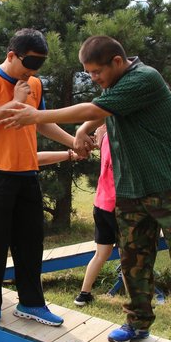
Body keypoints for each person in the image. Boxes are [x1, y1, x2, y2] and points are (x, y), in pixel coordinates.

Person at [0, 35, 171, 342]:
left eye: (95, 72)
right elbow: (104, 109)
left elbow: (96, 107)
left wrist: (36, 116)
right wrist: (80, 131)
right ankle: (138, 322)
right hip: (131, 188)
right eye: (88, 73)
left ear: (116, 62)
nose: (94, 78)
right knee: (133, 259)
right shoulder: (116, 84)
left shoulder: (145, 78)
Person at [0, 28, 76, 327]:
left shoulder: (34, 84)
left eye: (38, 65)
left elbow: (41, 123)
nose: (31, 71)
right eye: (28, 63)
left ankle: (31, 302)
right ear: (11, 54)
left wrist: (72, 141)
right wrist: (13, 102)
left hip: (26, 169)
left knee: (31, 240)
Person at [74, 125, 117, 307]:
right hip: (117, 205)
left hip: (101, 204)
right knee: (128, 255)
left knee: (101, 253)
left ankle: (84, 294)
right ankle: (136, 300)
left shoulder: (105, 136)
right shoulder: (119, 137)